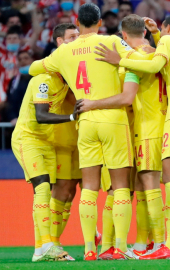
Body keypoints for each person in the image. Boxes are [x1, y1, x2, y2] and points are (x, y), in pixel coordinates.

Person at [29, 3, 149, 260]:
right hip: (113, 119)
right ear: (99, 22)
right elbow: (141, 57)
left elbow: (33, 68)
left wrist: (59, 65)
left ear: (78, 21)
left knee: (89, 188)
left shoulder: (64, 51)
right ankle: (120, 247)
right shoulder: (112, 43)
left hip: (84, 122)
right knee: (119, 187)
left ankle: (89, 249)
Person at [95, 14, 170, 259]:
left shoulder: (169, 42)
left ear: (168, 28)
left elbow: (153, 66)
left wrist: (121, 60)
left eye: (161, 30)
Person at [78, 14, 167, 259]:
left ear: (123, 36)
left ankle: (111, 245)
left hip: (126, 126)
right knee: (140, 187)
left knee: (120, 189)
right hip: (150, 125)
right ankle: (144, 244)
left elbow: (124, 96)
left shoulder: (127, 61)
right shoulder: (158, 54)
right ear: (146, 33)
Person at [11, 47, 79, 263]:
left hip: (47, 141)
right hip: (28, 138)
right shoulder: (43, 80)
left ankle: (40, 249)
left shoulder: (65, 82)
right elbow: (41, 116)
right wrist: (71, 117)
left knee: (45, 193)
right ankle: (49, 244)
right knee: (41, 187)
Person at [49, 23, 81, 256]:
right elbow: (73, 95)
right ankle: (49, 241)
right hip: (61, 135)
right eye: (72, 37)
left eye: (78, 36)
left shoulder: (78, 61)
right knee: (61, 189)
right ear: (60, 41)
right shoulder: (54, 63)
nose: (77, 40)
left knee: (71, 191)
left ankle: (56, 240)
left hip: (79, 133)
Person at [4, 50, 32, 125]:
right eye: (20, 59)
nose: (23, 61)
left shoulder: (40, 78)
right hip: (17, 122)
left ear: (32, 60)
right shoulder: (13, 81)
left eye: (26, 58)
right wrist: (12, 117)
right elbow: (10, 101)